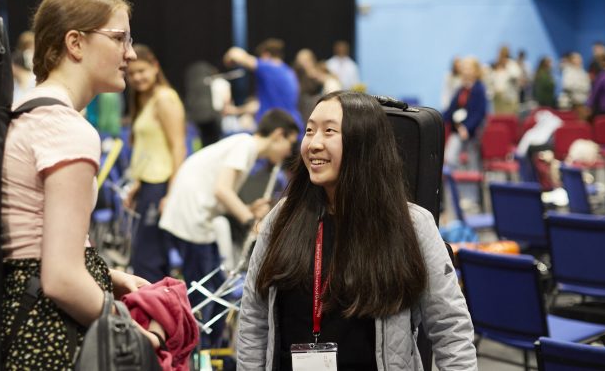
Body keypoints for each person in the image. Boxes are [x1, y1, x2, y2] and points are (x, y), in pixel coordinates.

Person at [237, 91, 476, 370]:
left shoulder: (411, 224)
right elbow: (254, 320)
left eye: (329, 131)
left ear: (362, 143)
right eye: (309, 131)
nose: (313, 144)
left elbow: (450, 328)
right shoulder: (283, 216)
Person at [0, 0, 165, 369]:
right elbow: (59, 279)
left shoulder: (30, 112)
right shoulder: (67, 129)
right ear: (75, 43)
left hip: (26, 316)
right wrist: (132, 333)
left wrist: (109, 276)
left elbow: (38, 242)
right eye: (119, 38)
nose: (130, 54)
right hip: (50, 334)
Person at [159, 108, 299, 347]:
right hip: (192, 220)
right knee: (203, 294)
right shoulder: (245, 146)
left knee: (216, 289)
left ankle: (209, 348)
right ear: (277, 134)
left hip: (198, 220)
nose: (288, 151)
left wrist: (248, 208)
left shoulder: (244, 147)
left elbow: (220, 191)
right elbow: (221, 191)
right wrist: (251, 222)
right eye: (289, 143)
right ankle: (197, 349)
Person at [125, 43, 186, 283]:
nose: (137, 77)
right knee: (144, 257)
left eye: (141, 70)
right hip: (149, 185)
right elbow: (150, 150)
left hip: (162, 186)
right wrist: (138, 185)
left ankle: (155, 315)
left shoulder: (164, 99)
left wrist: (172, 193)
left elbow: (178, 146)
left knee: (148, 260)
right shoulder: (144, 100)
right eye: (131, 73)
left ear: (155, 67)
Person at [224, 38, 302, 130]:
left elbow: (235, 54)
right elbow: (259, 105)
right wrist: (236, 111)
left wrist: (228, 61)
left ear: (266, 55)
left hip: (277, 129)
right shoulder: (289, 72)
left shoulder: (269, 68)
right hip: (291, 127)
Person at [443, 57, 487, 171]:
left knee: (472, 165)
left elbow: (479, 113)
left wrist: (466, 127)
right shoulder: (461, 89)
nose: (466, 71)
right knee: (450, 158)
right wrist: (437, 119)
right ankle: (456, 184)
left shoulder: (479, 89)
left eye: (469, 68)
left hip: (472, 133)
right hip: (458, 131)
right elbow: (450, 110)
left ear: (476, 71)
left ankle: (471, 187)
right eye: (464, 68)